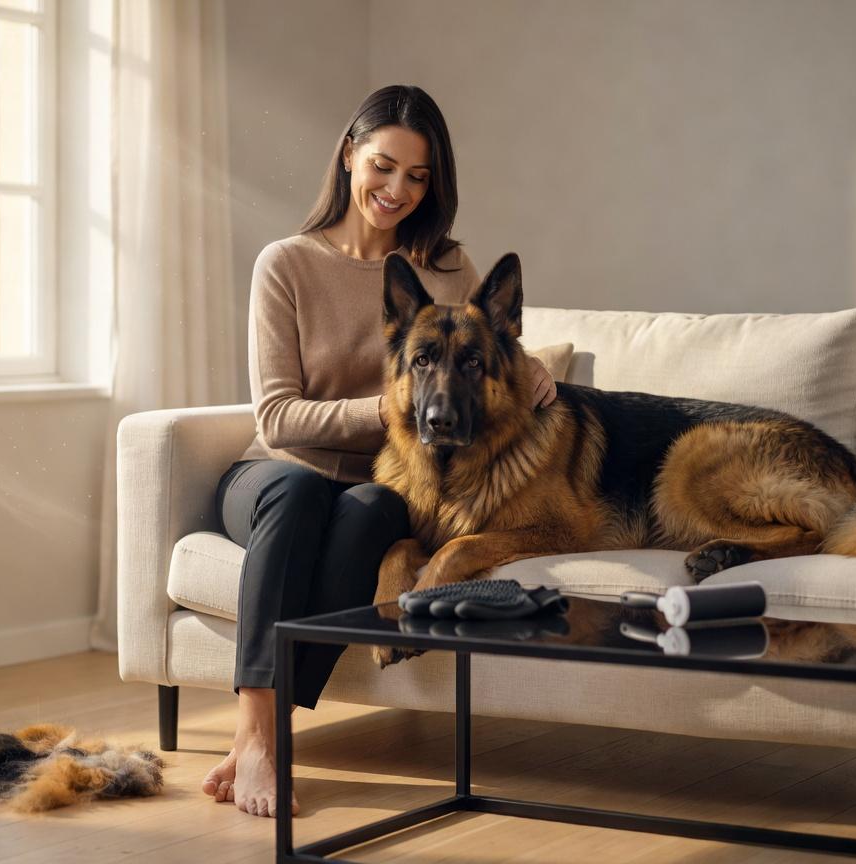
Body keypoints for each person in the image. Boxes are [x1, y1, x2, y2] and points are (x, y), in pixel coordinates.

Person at [200, 84, 557, 819]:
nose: (396, 190)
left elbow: (489, 348)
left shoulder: (448, 266)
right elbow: (276, 411)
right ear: (348, 156)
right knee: (303, 496)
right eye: (383, 167)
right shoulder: (287, 264)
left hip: (374, 482)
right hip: (273, 472)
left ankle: (265, 741)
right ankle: (256, 735)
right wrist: (400, 411)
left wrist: (531, 370)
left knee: (373, 510)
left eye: (417, 176)